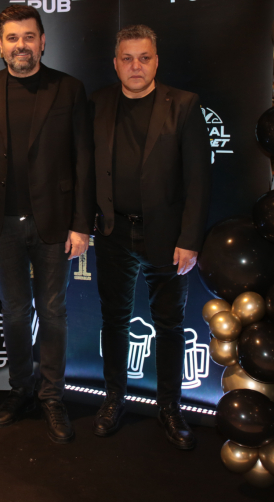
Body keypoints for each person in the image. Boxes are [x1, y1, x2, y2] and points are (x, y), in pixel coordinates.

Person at [0, 5, 94, 444]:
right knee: (14, 311)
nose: (20, 45)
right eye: (12, 38)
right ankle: (20, 390)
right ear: (0, 45)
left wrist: (82, 224)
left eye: (28, 36)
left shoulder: (69, 88)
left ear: (43, 41)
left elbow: (84, 160)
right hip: (2, 224)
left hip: (55, 223)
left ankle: (52, 396)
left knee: (53, 311)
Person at [90, 24, 211, 450]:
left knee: (170, 324)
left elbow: (198, 180)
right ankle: (113, 399)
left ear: (156, 62)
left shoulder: (184, 105)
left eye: (144, 58)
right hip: (113, 231)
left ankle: (170, 407)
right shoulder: (98, 103)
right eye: (127, 58)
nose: (136, 66)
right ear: (116, 63)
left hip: (168, 236)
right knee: (114, 320)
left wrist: (190, 239)